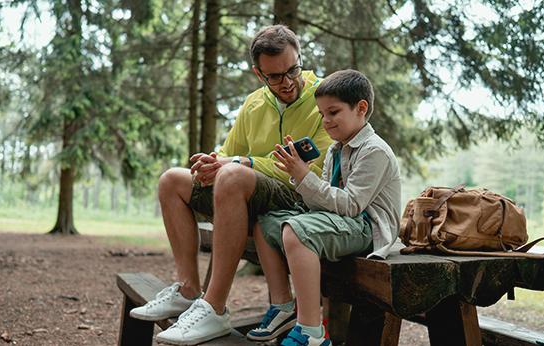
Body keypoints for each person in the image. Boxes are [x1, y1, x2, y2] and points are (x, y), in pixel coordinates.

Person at [129, 25, 333, 345]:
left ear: (300, 59)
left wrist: (241, 163)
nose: (288, 82)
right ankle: (187, 290)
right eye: (275, 76)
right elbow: (227, 153)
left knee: (233, 174)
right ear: (258, 73)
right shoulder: (253, 104)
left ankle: (214, 307)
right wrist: (214, 164)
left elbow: (315, 170)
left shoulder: (324, 97)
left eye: (293, 69)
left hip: (298, 199)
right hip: (244, 194)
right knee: (172, 180)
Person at [251, 69, 402, 346]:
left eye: (333, 112)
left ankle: (311, 331)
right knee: (265, 222)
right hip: (338, 220)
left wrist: (305, 178)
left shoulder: (374, 151)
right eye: (322, 114)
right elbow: (320, 198)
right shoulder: (335, 149)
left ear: (361, 108)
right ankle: (283, 307)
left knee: (296, 232)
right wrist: (302, 173)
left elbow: (352, 205)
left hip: (367, 227)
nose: (326, 121)